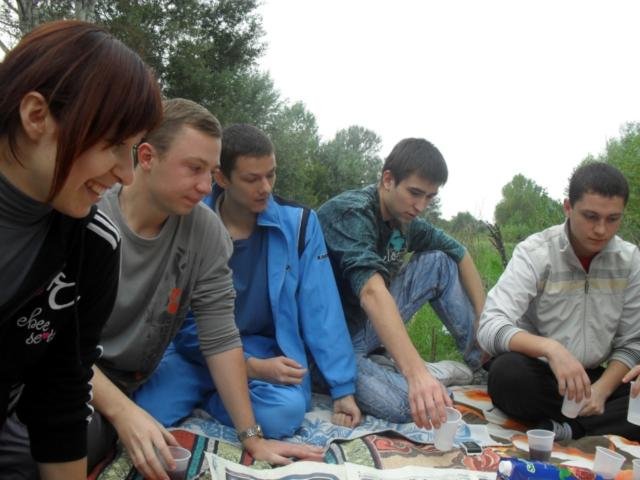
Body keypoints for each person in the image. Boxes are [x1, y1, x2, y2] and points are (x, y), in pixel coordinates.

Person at [91, 99, 323, 480]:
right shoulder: (91, 214)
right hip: (75, 372)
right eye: (194, 169)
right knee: (70, 438)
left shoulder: (206, 231)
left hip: (135, 375)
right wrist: (124, 413)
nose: (205, 187)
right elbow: (56, 347)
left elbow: (220, 334)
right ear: (147, 157)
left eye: (211, 172)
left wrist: (252, 438)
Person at [0, 20, 162, 480]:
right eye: (114, 144)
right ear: (36, 115)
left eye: (133, 148)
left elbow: (61, 393)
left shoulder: (92, 246)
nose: (126, 174)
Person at [134, 124, 361, 439]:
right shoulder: (188, 219)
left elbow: (321, 308)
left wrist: (343, 388)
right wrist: (246, 367)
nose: (265, 187)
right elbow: (177, 321)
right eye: (252, 179)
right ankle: (219, 391)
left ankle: (215, 399)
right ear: (221, 178)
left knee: (283, 416)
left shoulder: (299, 224)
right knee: (147, 412)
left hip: (266, 349)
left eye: (271, 175)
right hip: (196, 351)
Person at [317, 138, 487, 429]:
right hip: (331, 342)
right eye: (414, 193)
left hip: (367, 327)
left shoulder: (404, 219)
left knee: (440, 261)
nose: (420, 206)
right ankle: (421, 371)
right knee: (414, 407)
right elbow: (371, 291)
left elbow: (460, 253)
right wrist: (416, 375)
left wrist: (484, 319)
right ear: (388, 180)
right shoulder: (352, 214)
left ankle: (483, 363)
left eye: (429, 197)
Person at [477, 162, 640, 441]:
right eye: (590, 216)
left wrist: (601, 390)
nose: (601, 229)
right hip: (542, 373)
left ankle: (571, 428)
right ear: (568, 207)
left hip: (595, 380)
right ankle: (592, 425)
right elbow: (490, 325)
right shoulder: (536, 253)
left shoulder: (630, 260)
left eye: (613, 219)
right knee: (507, 375)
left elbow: (633, 342)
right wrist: (551, 349)